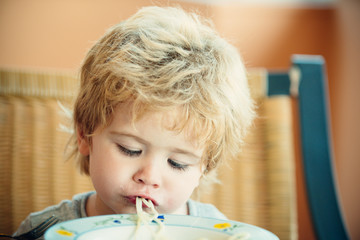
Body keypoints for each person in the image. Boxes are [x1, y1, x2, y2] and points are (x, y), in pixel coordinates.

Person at [13, 5, 255, 238]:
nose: (149, 176)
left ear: (204, 168)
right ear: (85, 135)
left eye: (178, 163)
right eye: (130, 150)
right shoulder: (42, 231)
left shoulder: (217, 233)